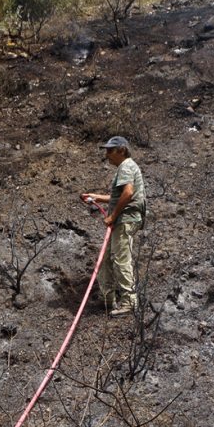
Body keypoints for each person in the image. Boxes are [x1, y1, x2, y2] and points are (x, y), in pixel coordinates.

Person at [82, 136, 145, 317]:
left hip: (125, 220)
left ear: (122, 150)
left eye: (110, 150)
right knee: (106, 259)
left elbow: (128, 193)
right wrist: (97, 198)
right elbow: (122, 196)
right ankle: (107, 298)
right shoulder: (127, 167)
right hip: (123, 220)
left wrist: (113, 216)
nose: (107, 154)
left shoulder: (126, 166)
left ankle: (129, 303)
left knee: (121, 260)